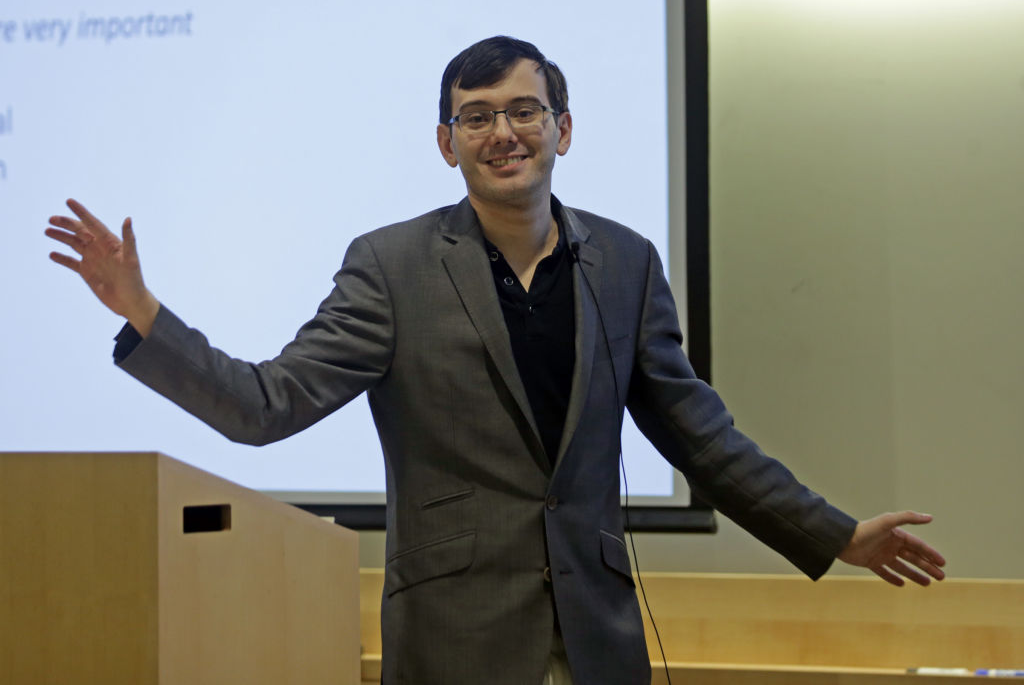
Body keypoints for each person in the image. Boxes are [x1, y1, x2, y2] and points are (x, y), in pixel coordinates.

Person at [46, 36, 945, 685]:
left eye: (522, 110)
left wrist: (834, 531)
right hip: (454, 639)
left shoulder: (626, 262)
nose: (502, 132)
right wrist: (143, 312)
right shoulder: (390, 266)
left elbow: (700, 437)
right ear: (447, 143)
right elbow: (266, 405)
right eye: (476, 117)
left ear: (562, 126)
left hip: (597, 639)